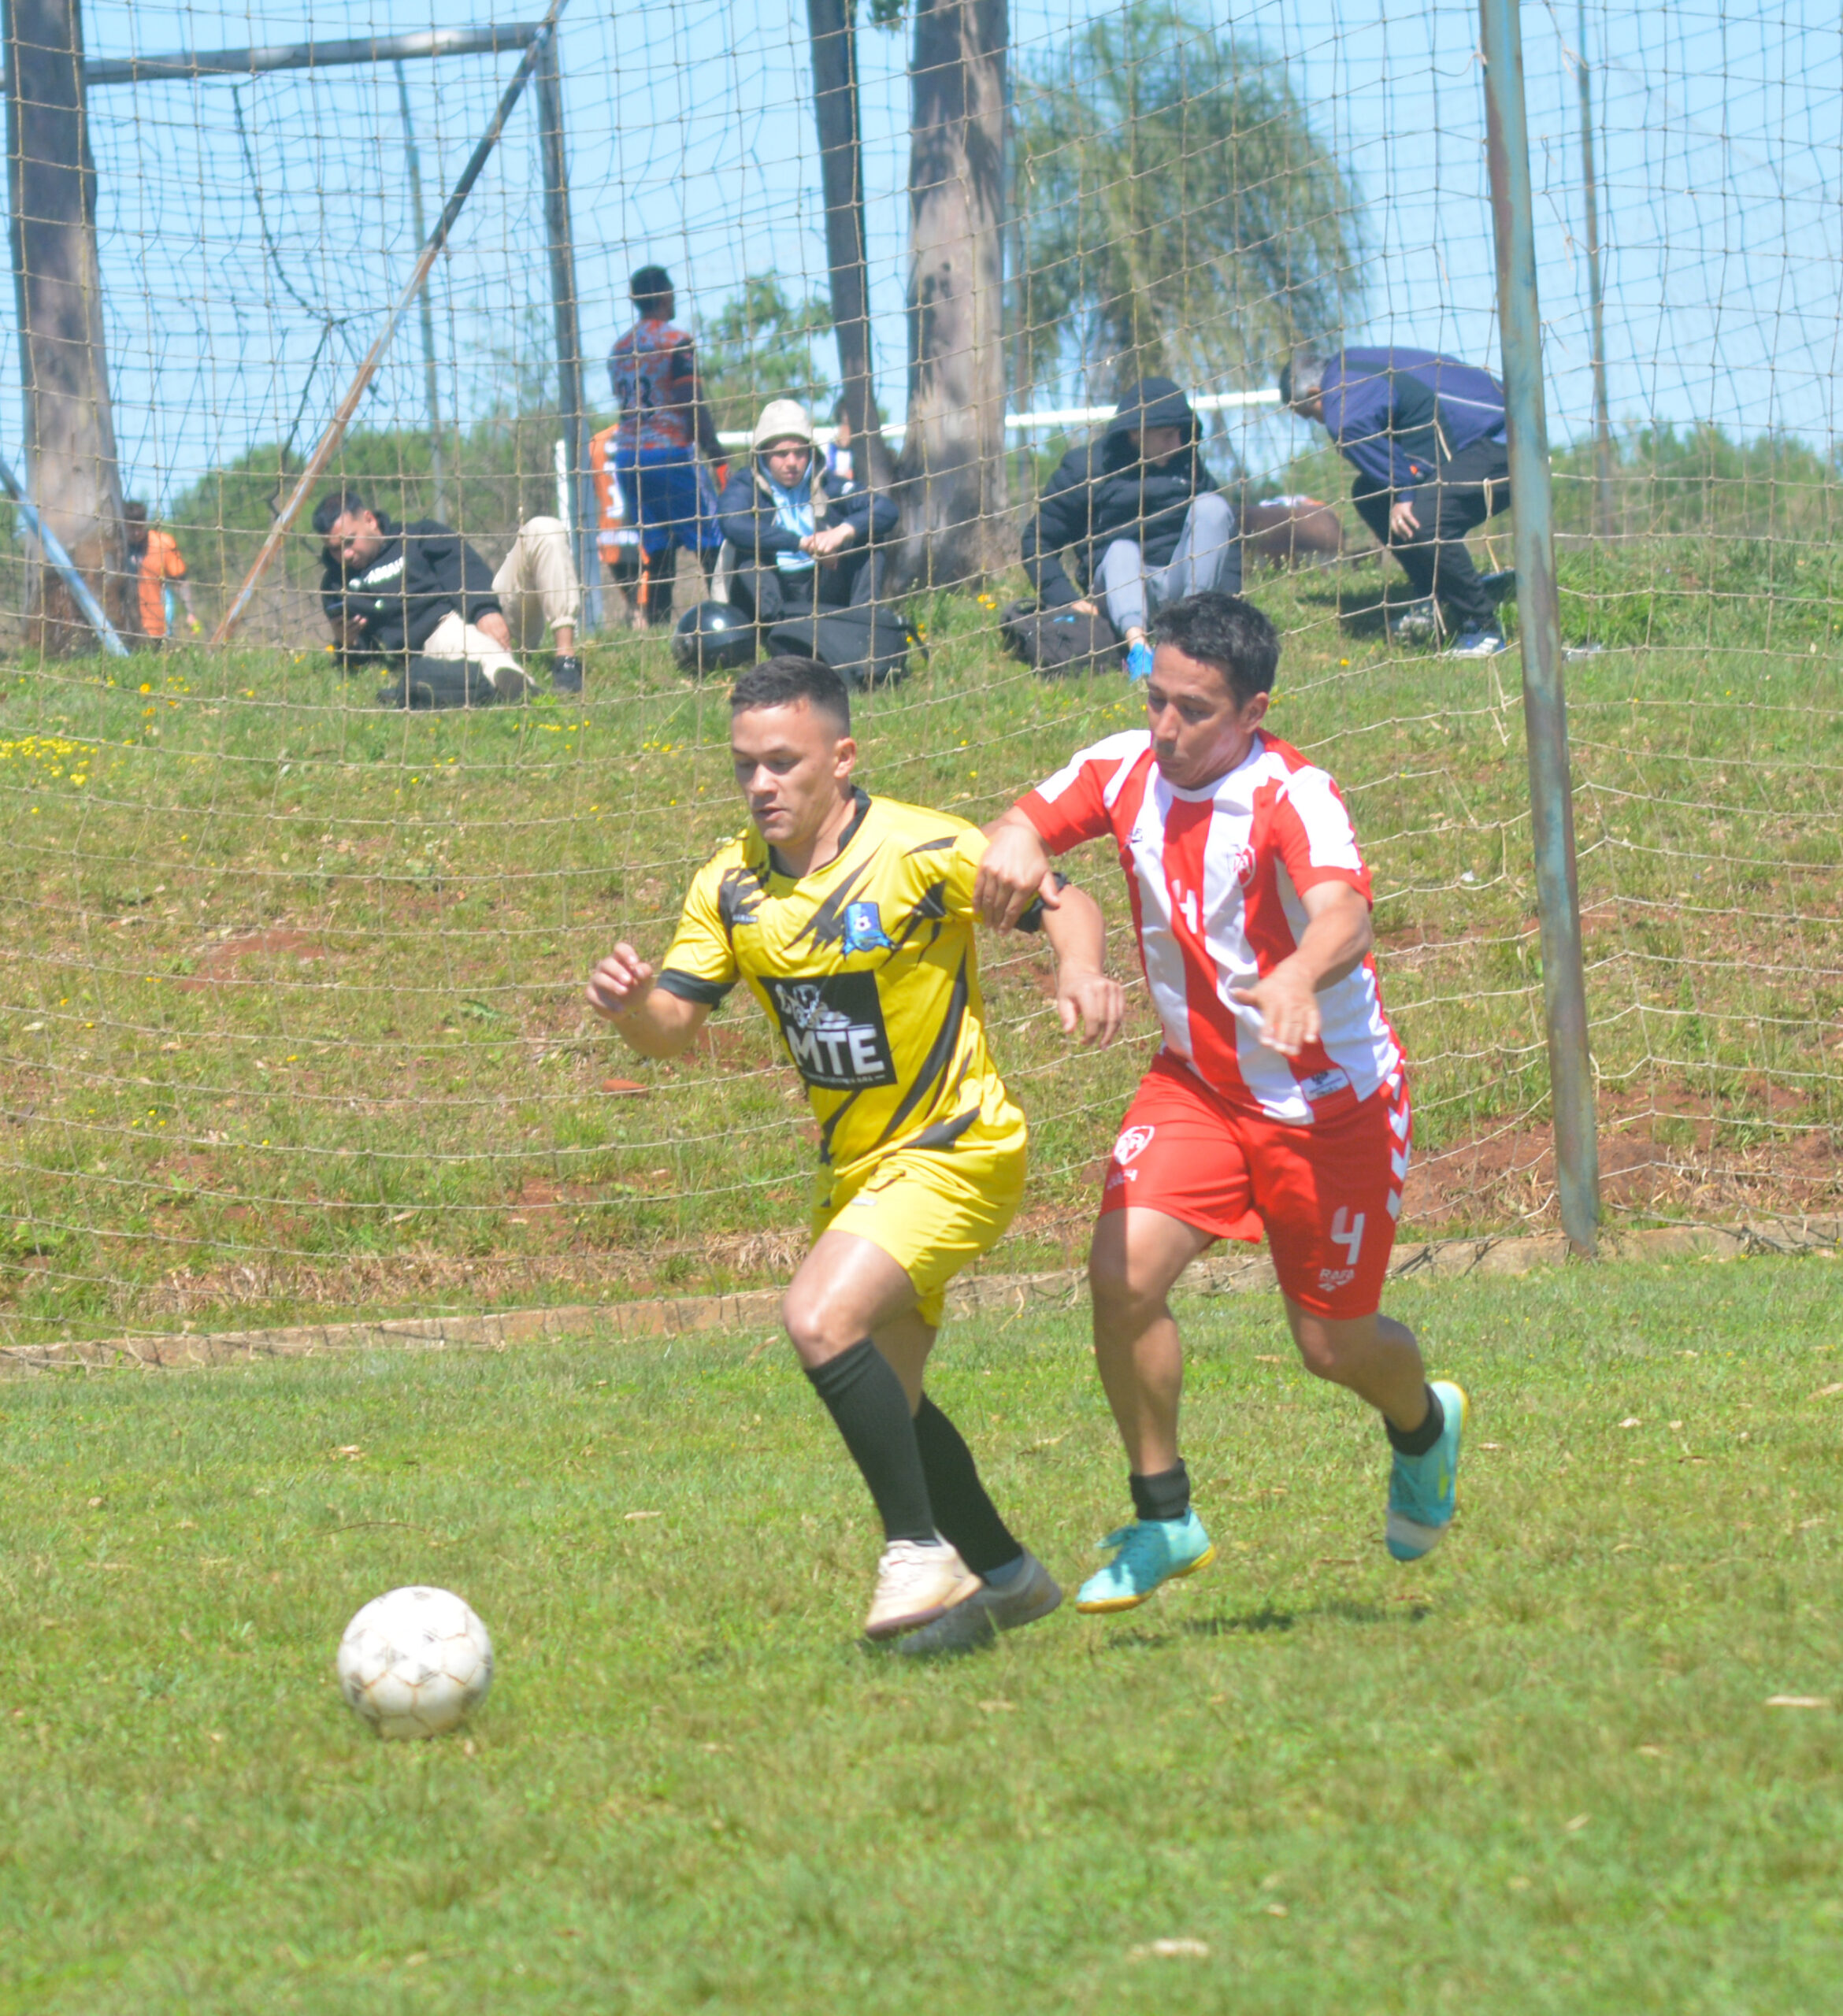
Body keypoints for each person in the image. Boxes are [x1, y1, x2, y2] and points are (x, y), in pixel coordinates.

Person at [587, 654, 1123, 1651]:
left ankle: (916, 1548)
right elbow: (671, 1031)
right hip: (860, 1174)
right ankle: (1008, 1577)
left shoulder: (917, 849)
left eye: (782, 762)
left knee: (817, 1318)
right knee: (888, 1392)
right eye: (744, 764)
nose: (760, 784)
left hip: (958, 1147)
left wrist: (1079, 968)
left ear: (842, 758)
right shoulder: (730, 885)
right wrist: (630, 1008)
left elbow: (1066, 900)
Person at [973, 591, 1467, 1615]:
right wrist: (1015, 844)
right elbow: (1019, 825)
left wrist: (1297, 975)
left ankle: (1424, 1426)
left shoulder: (1295, 794)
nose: (1166, 727)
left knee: (1331, 1346)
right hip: (1197, 1083)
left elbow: (1345, 913)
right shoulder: (1122, 768)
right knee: (1121, 1275)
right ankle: (1164, 1519)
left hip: (1327, 1103)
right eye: (1155, 699)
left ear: (1253, 711)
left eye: (1193, 710)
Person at [1280, 347, 1513, 658]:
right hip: (1481, 434)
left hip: (1504, 442)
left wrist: (1404, 494)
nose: (1320, 422)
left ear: (1314, 393)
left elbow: (1349, 426)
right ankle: (1435, 595)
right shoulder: (1352, 364)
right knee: (1370, 494)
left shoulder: (1343, 401)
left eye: (1311, 415)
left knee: (1423, 520)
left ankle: (1481, 626)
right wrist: (1400, 489)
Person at [1021, 376, 1240, 684]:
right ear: (1136, 433)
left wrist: (1231, 603)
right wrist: (1065, 598)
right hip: (1116, 590)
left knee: (1213, 507)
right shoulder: (1086, 470)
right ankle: (1140, 652)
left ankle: (1190, 633)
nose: (1178, 443)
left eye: (1181, 433)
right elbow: (1037, 541)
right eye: (1167, 435)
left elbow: (1225, 541)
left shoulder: (1189, 465)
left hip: (1177, 586)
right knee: (1122, 550)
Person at [313, 492, 583, 697]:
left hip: (493, 608)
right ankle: (529, 695)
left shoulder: (419, 534)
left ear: (370, 520)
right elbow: (370, 662)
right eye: (335, 549)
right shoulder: (337, 586)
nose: (345, 554)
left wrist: (485, 610)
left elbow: (465, 565)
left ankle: (566, 659)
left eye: (350, 541)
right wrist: (346, 644)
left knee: (544, 529)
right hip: (441, 631)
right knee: (466, 642)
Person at [607, 265, 725, 627]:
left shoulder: (619, 349)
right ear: (662, 295)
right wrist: (713, 448)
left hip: (630, 459)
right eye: (672, 291)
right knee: (711, 539)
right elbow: (690, 400)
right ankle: (729, 612)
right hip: (670, 453)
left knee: (657, 550)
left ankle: (657, 625)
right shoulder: (677, 342)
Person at [717, 400, 896, 631]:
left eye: (800, 453)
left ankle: (862, 625)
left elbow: (885, 509)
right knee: (747, 553)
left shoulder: (826, 483)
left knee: (869, 539)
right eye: (781, 454)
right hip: (771, 589)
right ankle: (774, 631)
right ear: (762, 454)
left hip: (822, 580)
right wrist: (802, 543)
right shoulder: (745, 484)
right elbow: (732, 524)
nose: (792, 463)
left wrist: (840, 533)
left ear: (811, 453)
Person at [588, 417, 644, 618]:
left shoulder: (596, 442)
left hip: (610, 536)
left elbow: (589, 492)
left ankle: (636, 620)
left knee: (633, 604)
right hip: (642, 537)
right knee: (647, 608)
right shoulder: (644, 437)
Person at [123, 502, 198, 644]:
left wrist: (191, 613)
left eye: (140, 527)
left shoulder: (162, 544)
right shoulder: (116, 546)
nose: (136, 532)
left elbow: (181, 581)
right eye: (132, 528)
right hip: (123, 629)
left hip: (157, 629)